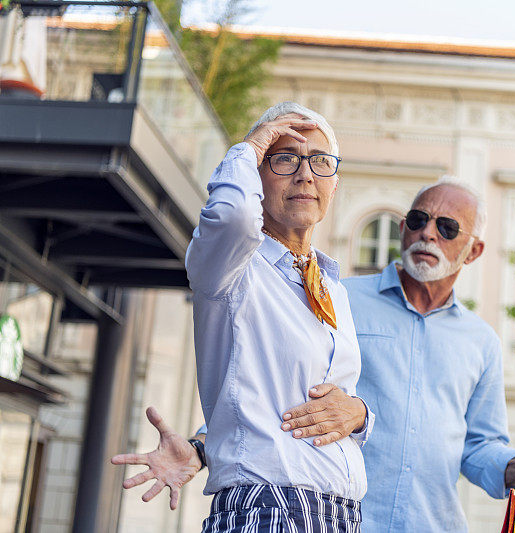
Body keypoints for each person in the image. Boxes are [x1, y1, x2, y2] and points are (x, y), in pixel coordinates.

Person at [116, 178, 515, 531]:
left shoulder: (480, 342)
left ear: (474, 251)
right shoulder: (335, 298)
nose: (427, 232)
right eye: (418, 219)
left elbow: (478, 445)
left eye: (447, 228)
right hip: (337, 520)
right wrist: (201, 447)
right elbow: (270, 385)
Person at [113, 102, 373, 532]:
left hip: (341, 514)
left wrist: (360, 412)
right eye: (285, 159)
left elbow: (277, 400)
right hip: (269, 509)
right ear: (256, 176)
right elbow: (232, 216)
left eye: (319, 162)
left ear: (334, 184)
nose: (305, 174)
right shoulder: (234, 265)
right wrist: (248, 149)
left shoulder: (333, 290)